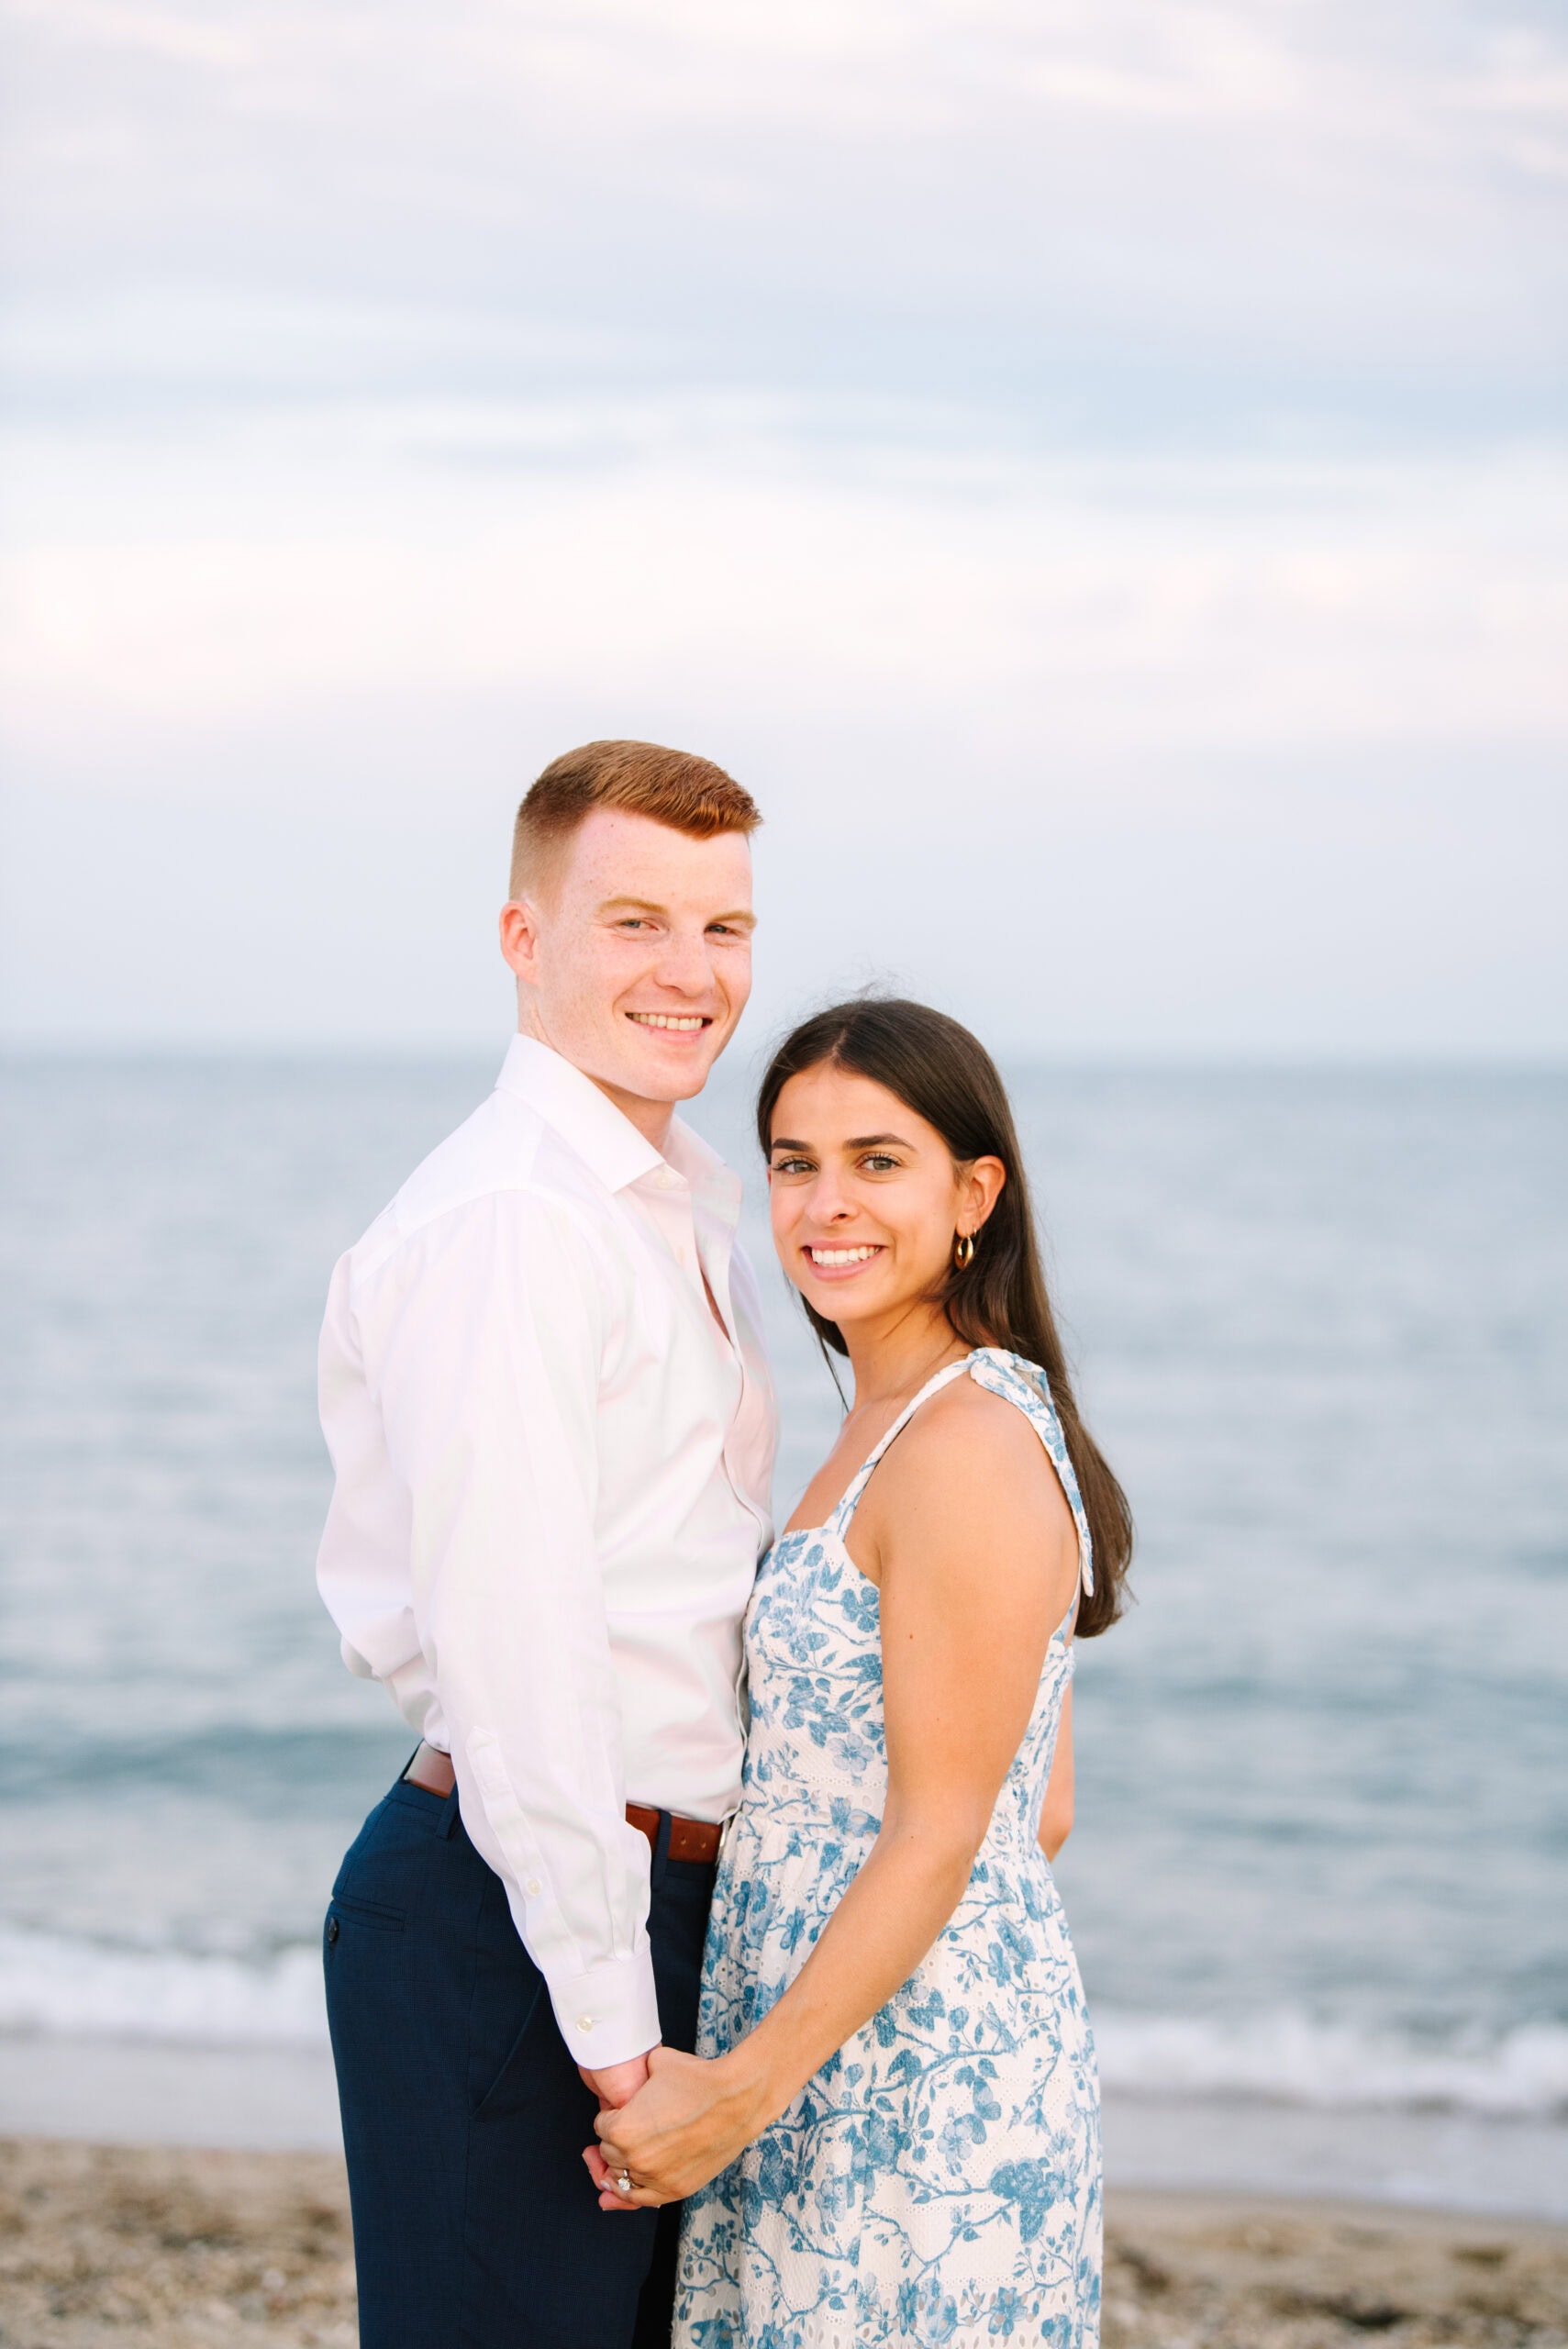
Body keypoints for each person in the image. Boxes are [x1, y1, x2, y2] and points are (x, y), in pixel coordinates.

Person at [314, 740, 778, 2349]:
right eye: (635, 920)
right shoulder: (514, 1221)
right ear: (524, 939)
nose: (690, 973)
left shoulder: (664, 1200)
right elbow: (518, 1658)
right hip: (529, 1931)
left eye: (722, 929)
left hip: (635, 1908)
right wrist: (614, 2038)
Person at [591, 996, 1132, 2348]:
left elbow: (952, 1826)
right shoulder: (882, 1423)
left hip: (902, 2081)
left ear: (974, 1191)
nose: (823, 1204)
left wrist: (745, 2088)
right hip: (849, 2033)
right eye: (792, 1161)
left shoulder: (962, 1444)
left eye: (875, 1161)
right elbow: (1039, 1805)